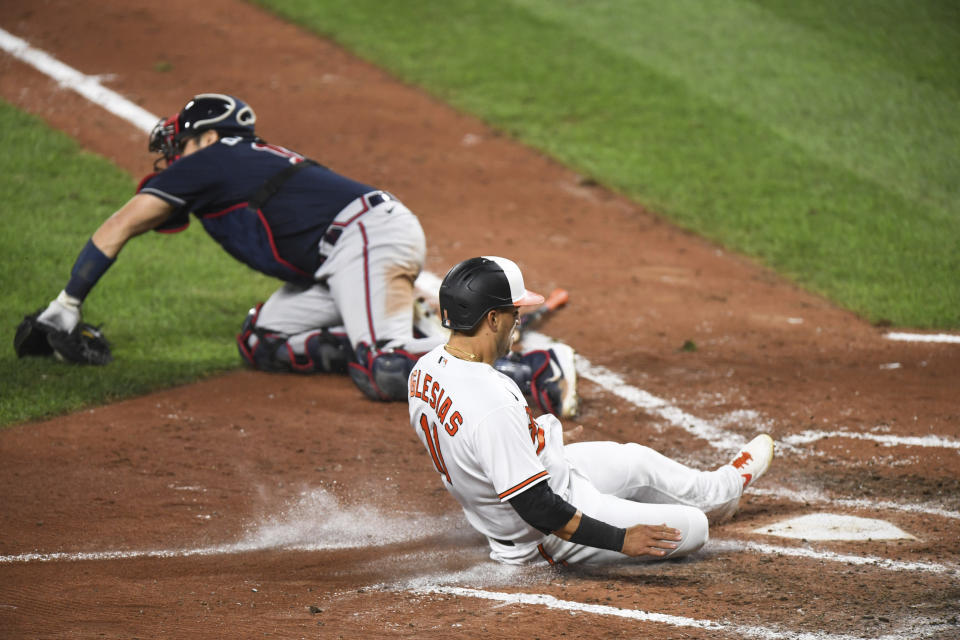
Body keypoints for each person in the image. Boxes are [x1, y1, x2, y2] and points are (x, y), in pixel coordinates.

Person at [15, 94, 578, 413]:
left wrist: (67, 304)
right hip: (344, 253)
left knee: (383, 370)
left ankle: (535, 370)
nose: (173, 159)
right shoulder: (234, 164)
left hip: (366, 238)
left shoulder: (210, 161)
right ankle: (415, 331)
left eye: (180, 145)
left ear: (208, 140)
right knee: (261, 339)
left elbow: (120, 226)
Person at [408, 256, 775, 565]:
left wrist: (528, 439)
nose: (518, 320)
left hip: (546, 475)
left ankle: (722, 489)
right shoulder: (492, 402)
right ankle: (652, 512)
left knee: (636, 461)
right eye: (514, 311)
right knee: (693, 528)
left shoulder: (424, 370)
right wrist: (620, 539)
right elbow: (538, 507)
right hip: (542, 531)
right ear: (491, 320)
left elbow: (474, 441)